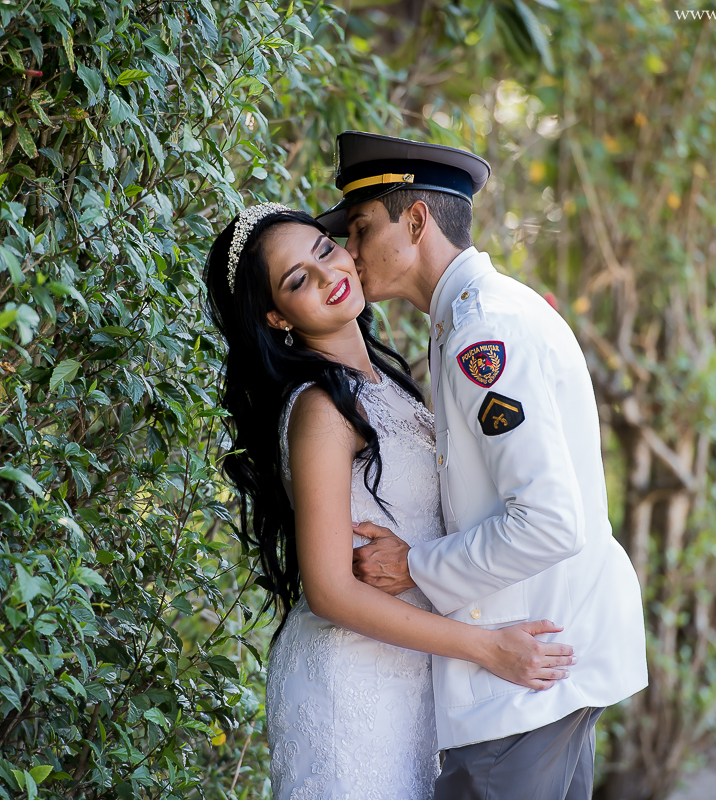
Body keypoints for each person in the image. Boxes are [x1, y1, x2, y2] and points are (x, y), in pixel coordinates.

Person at [203, 202, 577, 799]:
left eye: (324, 250)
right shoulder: (319, 408)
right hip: (350, 684)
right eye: (297, 279)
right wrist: (485, 647)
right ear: (276, 317)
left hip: (412, 671)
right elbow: (328, 590)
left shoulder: (389, 385)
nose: (328, 275)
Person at [316, 131, 649, 800]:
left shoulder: (481, 332)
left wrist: (413, 566)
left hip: (522, 676)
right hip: (536, 669)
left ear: (415, 222)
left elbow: (551, 522)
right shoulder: (468, 321)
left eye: (359, 228)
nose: (350, 253)